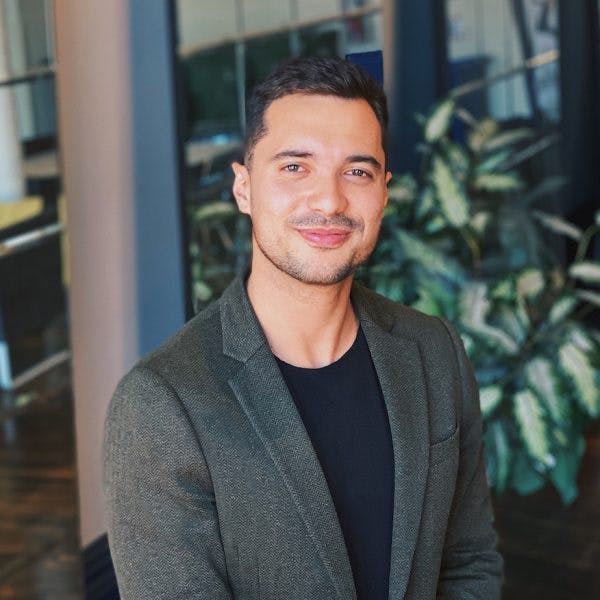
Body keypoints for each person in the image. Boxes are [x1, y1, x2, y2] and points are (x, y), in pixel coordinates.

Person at [103, 56, 503, 599]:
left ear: (384, 192)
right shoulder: (161, 403)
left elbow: (468, 564)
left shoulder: (434, 350)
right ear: (243, 188)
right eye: (295, 167)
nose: (330, 200)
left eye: (357, 171)